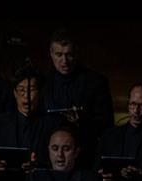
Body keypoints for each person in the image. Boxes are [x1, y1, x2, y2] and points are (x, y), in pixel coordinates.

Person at [40, 29, 114, 163]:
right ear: (51, 53)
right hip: (49, 158)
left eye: (69, 55)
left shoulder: (96, 82)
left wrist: (82, 121)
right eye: (59, 54)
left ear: (77, 53)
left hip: (85, 157)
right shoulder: (43, 82)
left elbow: (107, 124)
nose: (64, 61)